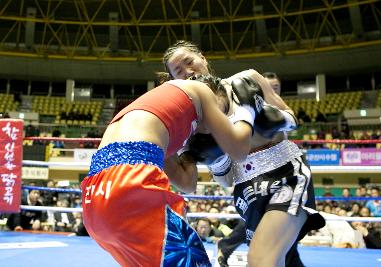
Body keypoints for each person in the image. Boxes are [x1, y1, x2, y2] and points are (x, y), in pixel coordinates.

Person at [162, 41, 324, 267]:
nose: (188, 71)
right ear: (173, 81)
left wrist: (273, 119)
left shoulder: (247, 79)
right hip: (246, 190)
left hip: (286, 171)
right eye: (179, 71)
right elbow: (208, 182)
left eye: (190, 62)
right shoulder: (192, 124)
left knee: (261, 260)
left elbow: (292, 119)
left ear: (203, 58)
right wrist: (214, 159)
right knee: (283, 259)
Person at [81, 75, 264, 266]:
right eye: (224, 110)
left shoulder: (156, 118)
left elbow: (187, 184)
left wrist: (190, 153)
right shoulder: (200, 89)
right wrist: (247, 109)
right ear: (213, 90)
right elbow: (239, 150)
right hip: (130, 184)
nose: (221, 122)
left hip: (94, 198)